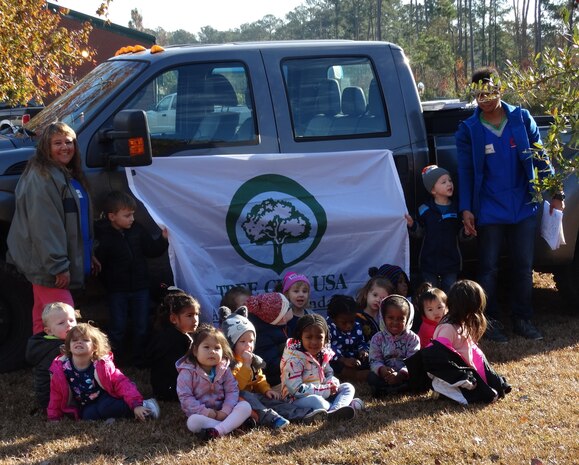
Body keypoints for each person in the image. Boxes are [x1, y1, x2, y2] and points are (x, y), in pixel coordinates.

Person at [456, 66, 564, 342]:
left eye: (490, 91)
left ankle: (523, 319)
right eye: (480, 94)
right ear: (474, 97)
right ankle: (489, 322)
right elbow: (465, 172)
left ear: (499, 89)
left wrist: (555, 192)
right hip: (490, 208)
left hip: (524, 205)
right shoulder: (469, 129)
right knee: (488, 267)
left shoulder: (521, 118)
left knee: (522, 266)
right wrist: (467, 208)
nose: (487, 98)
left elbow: (541, 158)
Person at [7, 122, 99, 334]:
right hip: (49, 267)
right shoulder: (42, 178)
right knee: (64, 321)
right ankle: (69, 366)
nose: (65, 147)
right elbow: (44, 226)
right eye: (57, 143)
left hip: (53, 264)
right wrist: (58, 265)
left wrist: (88, 254)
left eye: (69, 142)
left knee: (44, 321)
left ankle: (44, 364)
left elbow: (77, 221)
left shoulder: (65, 174)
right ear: (46, 147)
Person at [220, 306, 327, 428]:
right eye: (242, 342)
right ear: (231, 343)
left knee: (272, 401)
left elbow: (259, 378)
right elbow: (237, 386)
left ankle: (304, 414)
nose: (248, 345)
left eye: (251, 341)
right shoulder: (229, 363)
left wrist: (266, 389)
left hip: (255, 396)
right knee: (245, 395)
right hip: (238, 400)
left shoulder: (253, 360)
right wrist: (245, 365)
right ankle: (272, 419)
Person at [94, 190, 168, 365]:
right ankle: (113, 361)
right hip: (117, 291)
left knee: (141, 326)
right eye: (127, 215)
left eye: (132, 214)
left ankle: (139, 358)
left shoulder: (137, 230)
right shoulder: (104, 236)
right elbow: (100, 262)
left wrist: (163, 239)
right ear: (112, 217)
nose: (132, 219)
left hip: (140, 288)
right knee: (117, 327)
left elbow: (151, 250)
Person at [418, 280, 512, 404]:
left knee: (496, 388)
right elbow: (438, 357)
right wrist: (461, 377)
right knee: (485, 396)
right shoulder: (448, 328)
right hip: (452, 376)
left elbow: (474, 353)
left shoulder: (462, 323)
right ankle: (442, 390)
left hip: (467, 371)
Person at [47, 323, 160, 421]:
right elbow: (56, 394)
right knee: (87, 416)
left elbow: (121, 383)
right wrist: (54, 417)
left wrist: (136, 405)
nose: (79, 342)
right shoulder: (62, 368)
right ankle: (113, 415)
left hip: (107, 395)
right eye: (75, 340)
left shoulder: (101, 365)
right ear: (69, 347)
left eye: (85, 340)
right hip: (87, 403)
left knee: (105, 407)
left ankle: (146, 406)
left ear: (95, 347)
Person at [175, 324, 252, 441]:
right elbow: (186, 398)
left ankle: (218, 430)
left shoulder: (224, 369)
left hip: (225, 411)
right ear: (195, 351)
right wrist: (208, 413)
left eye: (217, 348)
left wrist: (225, 411)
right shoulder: (187, 372)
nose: (212, 352)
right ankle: (229, 426)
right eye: (206, 347)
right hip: (202, 415)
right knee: (192, 422)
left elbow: (232, 390)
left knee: (245, 406)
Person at [281, 314, 364, 419]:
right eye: (309, 337)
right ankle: (344, 406)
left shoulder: (322, 353)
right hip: (296, 399)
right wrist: (326, 390)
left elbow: (328, 373)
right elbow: (297, 390)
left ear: (325, 338)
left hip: (323, 391)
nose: (314, 342)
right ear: (300, 336)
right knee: (318, 402)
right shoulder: (294, 359)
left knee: (348, 387)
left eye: (319, 337)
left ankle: (335, 410)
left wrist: (332, 383)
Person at [405, 165, 468, 293]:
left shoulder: (457, 208)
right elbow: (420, 233)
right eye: (443, 182)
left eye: (450, 180)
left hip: (451, 262)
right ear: (433, 190)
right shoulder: (424, 209)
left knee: (450, 294)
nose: (449, 184)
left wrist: (466, 233)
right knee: (430, 294)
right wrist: (413, 225)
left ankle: (449, 313)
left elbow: (461, 235)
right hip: (428, 262)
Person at [145, 287, 198, 401]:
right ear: (174, 319)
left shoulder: (175, 334)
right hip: (171, 390)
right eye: (189, 315)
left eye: (196, 314)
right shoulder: (173, 340)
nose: (195, 320)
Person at [26, 302, 78, 410]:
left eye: (72, 320)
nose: (69, 325)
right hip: (52, 399)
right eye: (61, 323)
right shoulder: (58, 348)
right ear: (49, 331)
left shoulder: (47, 343)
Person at [368, 295, 420, 397]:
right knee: (372, 377)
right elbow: (374, 360)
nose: (395, 322)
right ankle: (390, 389)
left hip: (404, 376)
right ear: (383, 317)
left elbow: (413, 362)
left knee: (419, 377)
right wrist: (382, 370)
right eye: (391, 318)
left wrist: (401, 375)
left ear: (408, 319)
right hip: (385, 375)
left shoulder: (413, 338)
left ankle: (396, 388)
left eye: (401, 319)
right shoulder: (377, 338)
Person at [246, 292, 293, 387]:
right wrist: (295, 362)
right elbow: (271, 365)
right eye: (289, 307)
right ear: (282, 317)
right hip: (276, 383)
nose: (292, 307)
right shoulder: (263, 336)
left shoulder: (280, 328)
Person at [325, 294, 370, 382]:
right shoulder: (328, 327)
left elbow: (361, 341)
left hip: (355, 358)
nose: (349, 326)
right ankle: (354, 375)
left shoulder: (356, 326)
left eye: (351, 321)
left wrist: (363, 350)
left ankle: (362, 370)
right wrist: (343, 360)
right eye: (344, 323)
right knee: (332, 365)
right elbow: (326, 347)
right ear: (333, 319)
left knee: (370, 359)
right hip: (338, 359)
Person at [355, 276, 395, 343]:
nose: (378, 300)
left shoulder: (386, 318)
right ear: (366, 294)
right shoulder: (358, 317)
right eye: (375, 295)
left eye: (383, 298)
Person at [415, 284, 448, 348]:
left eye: (439, 307)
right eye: (430, 310)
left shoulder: (446, 321)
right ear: (423, 312)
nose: (435, 313)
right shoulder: (427, 328)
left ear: (446, 307)